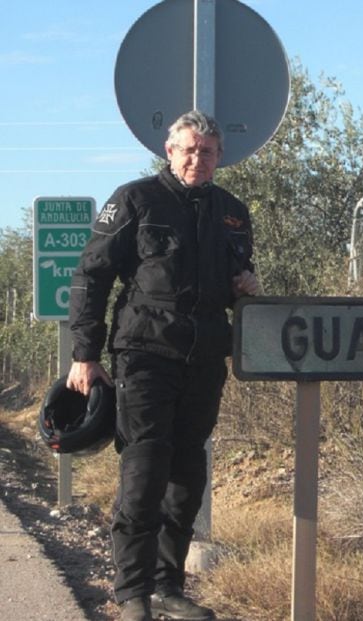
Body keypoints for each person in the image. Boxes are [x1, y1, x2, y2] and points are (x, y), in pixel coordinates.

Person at [66, 110, 260, 621]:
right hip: (144, 355)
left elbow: (241, 276)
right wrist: (84, 355)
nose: (199, 158)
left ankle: (169, 587)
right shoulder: (135, 200)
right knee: (144, 471)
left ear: (221, 156)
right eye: (190, 149)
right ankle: (132, 594)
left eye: (209, 151)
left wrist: (247, 286)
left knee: (187, 475)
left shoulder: (233, 213)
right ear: (169, 151)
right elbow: (92, 276)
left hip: (203, 360)